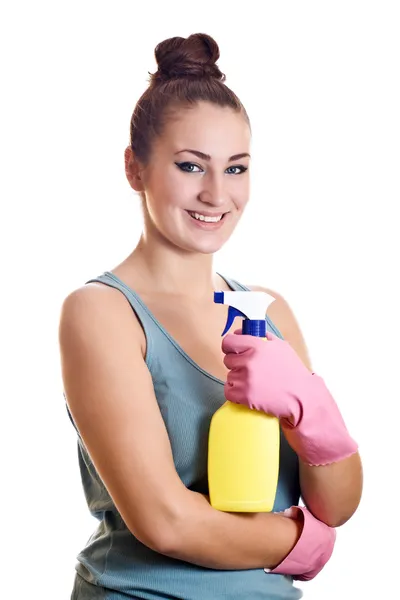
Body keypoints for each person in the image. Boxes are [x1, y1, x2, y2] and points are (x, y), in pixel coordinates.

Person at [59, 33, 363, 600]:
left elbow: (336, 503)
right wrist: (299, 539)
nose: (216, 194)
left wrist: (309, 410)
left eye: (237, 168)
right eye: (190, 166)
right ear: (135, 168)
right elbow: (165, 522)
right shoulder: (102, 313)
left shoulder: (269, 313)